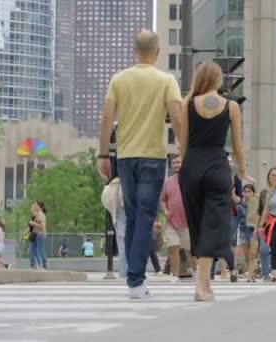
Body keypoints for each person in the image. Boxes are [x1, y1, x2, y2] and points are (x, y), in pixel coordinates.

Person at [97, 29, 183, 299]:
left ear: (135, 51)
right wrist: (184, 149)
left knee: (133, 215)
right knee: (146, 217)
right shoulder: (166, 80)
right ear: (157, 52)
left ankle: (134, 277)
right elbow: (178, 119)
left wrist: (102, 155)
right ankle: (135, 280)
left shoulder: (118, 80)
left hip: (125, 157)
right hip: (153, 156)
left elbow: (107, 118)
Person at [174, 60, 251, 301]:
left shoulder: (187, 105)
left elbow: (183, 143)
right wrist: (242, 171)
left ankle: (204, 280)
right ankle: (201, 284)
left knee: (198, 225)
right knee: (213, 225)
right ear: (218, 80)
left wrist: (182, 165)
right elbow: (237, 143)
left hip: (191, 167)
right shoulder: (231, 106)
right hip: (217, 166)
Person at [161, 155, 194, 282]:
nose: (176, 165)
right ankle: (175, 276)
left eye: (178, 162)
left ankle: (196, 273)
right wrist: (165, 210)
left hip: (188, 222)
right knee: (173, 248)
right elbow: (163, 200)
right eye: (174, 163)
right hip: (171, 222)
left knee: (191, 251)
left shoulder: (191, 180)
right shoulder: (168, 181)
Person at [101, 177, 128, 278]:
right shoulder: (116, 183)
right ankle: (126, 271)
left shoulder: (114, 183)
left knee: (123, 244)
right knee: (124, 244)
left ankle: (125, 272)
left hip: (121, 210)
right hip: (122, 210)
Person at [256, 168, 276, 282]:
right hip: (265, 225)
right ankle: (266, 274)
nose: (273, 177)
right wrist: (259, 226)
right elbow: (260, 211)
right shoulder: (264, 192)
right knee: (264, 251)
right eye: (271, 175)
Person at [241, 184, 260, 282]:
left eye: (249, 191)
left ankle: (251, 275)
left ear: (253, 192)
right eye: (245, 191)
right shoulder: (241, 204)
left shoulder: (256, 203)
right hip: (243, 230)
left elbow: (258, 216)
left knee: (252, 254)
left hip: (253, 230)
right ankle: (251, 274)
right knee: (246, 255)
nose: (247, 193)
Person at [28, 202, 48, 270]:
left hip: (41, 235)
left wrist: (32, 223)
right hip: (36, 234)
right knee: (32, 250)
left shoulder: (41, 215)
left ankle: (44, 266)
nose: (34, 207)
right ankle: (34, 265)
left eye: (35, 205)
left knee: (40, 251)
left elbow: (42, 226)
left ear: (39, 206)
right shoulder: (38, 215)